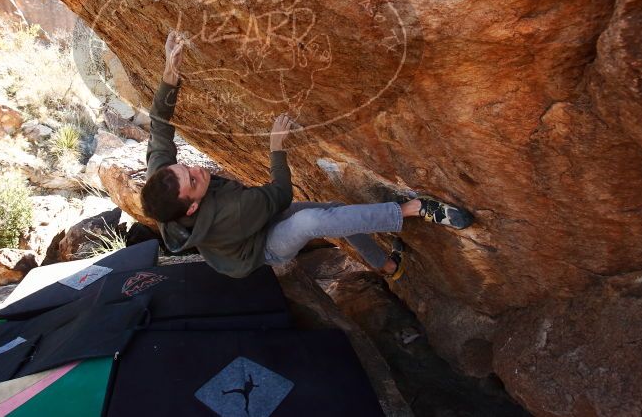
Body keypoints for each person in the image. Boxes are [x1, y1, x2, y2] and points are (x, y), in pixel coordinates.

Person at [140, 32, 473, 280]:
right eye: (194, 179)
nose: (196, 168)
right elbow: (281, 195)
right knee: (310, 222)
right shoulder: (231, 212)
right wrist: (276, 148)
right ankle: (415, 209)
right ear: (193, 205)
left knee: (337, 213)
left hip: (253, 224)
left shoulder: (164, 180)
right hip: (263, 247)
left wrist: (171, 71)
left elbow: (159, 125)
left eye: (185, 167)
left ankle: (387, 266)